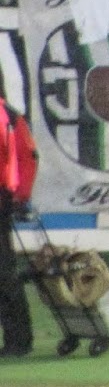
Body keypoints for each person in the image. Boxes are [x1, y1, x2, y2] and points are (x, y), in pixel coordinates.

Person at [1, 93, 39, 357]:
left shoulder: (10, 117)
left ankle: (18, 340)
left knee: (4, 274)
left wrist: (20, 195)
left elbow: (28, 156)